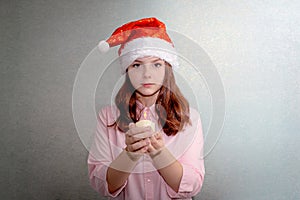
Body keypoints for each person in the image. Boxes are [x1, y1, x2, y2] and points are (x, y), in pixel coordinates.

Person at [88, 17, 205, 200]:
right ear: (127, 70)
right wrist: (130, 154)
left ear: (167, 68)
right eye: (137, 64)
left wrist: (159, 153)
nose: (147, 74)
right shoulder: (108, 117)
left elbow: (192, 185)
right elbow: (103, 183)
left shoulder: (190, 118)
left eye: (157, 64)